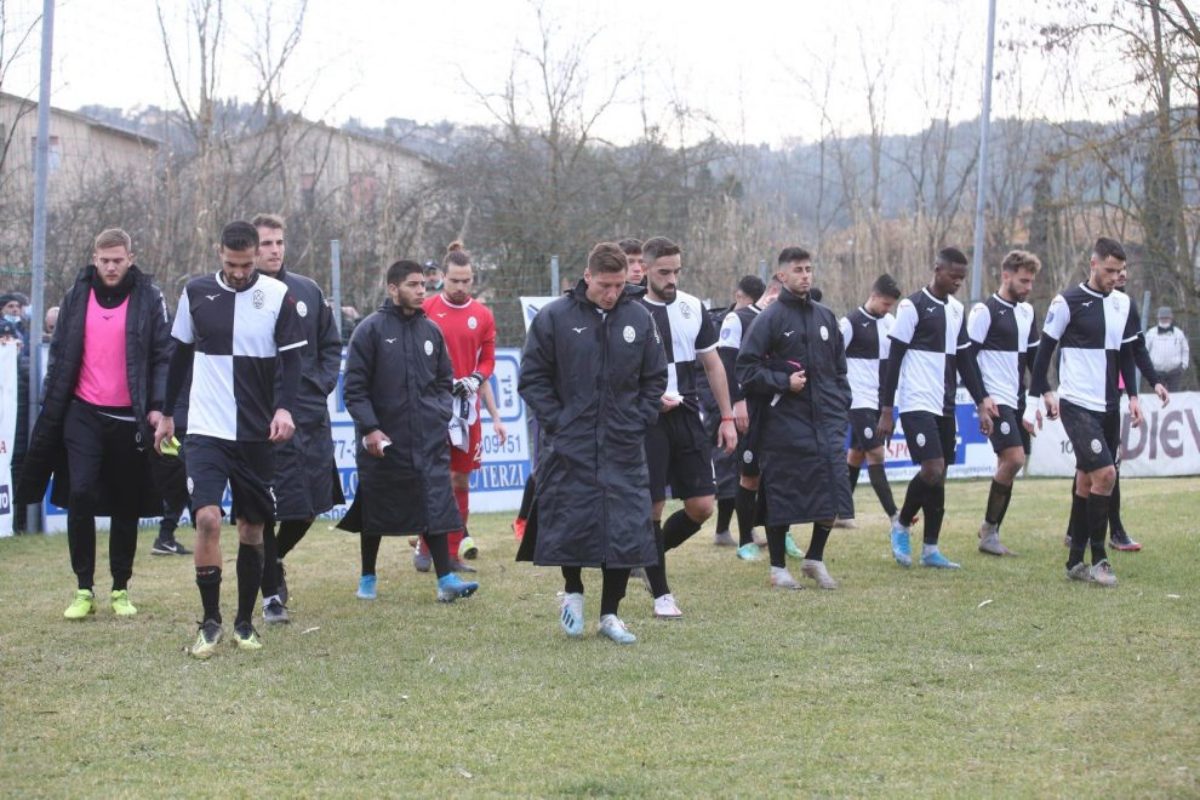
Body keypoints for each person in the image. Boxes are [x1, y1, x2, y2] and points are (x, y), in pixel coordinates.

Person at [155, 221, 305, 658]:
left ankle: (244, 622)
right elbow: (179, 354)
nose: (238, 272)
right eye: (230, 264)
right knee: (206, 519)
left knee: (252, 528)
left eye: (245, 264)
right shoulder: (196, 292)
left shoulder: (277, 296)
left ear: (257, 254)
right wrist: (167, 413)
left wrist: (284, 408)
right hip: (204, 428)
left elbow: (294, 363)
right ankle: (209, 622)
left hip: (255, 433)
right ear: (219, 255)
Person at [17, 229, 171, 618]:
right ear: (94, 258)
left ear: (130, 258)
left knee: (126, 504)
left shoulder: (149, 298)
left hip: (128, 417)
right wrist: (54, 397)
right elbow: (62, 356)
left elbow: (161, 355)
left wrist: (156, 406)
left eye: (118, 259)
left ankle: (121, 587)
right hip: (82, 412)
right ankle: (83, 588)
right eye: (104, 260)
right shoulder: (76, 296)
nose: (111, 266)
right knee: (80, 492)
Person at [517, 242, 666, 643]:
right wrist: (558, 422)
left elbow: (655, 376)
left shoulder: (639, 318)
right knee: (573, 521)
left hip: (623, 441)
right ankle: (573, 592)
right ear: (587, 277)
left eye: (619, 285)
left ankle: (611, 614)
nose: (613, 293)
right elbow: (532, 378)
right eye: (605, 285)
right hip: (571, 443)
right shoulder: (554, 318)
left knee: (623, 528)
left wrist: (639, 417)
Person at [337, 259, 479, 604]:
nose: (421, 291)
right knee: (375, 509)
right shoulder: (369, 330)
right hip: (384, 443)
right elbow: (354, 390)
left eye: (423, 285)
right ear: (392, 288)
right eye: (413, 285)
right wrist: (370, 429)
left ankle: (445, 579)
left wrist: (439, 413)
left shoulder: (431, 331)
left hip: (428, 439)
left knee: (435, 506)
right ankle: (368, 576)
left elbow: (445, 381)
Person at [1030, 237, 1145, 587]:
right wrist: (1041, 395)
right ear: (1093, 264)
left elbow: (1125, 353)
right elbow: (1043, 353)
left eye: (1120, 271)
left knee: (1086, 480)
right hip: (1077, 404)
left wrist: (1134, 396)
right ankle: (1099, 558)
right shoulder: (1066, 302)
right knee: (1106, 475)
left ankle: (1074, 561)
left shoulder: (1122, 304)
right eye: (1110, 270)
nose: (1115, 277)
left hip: (1110, 406)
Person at [736, 247, 852, 589]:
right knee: (782, 493)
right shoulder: (769, 319)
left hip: (826, 421)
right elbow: (745, 368)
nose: (805, 275)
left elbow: (840, 370)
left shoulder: (826, 317)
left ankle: (814, 558)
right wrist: (783, 383)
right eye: (798, 270)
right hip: (784, 421)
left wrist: (841, 404)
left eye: (809, 269)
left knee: (833, 488)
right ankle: (777, 568)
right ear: (782, 276)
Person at [636, 236, 737, 618]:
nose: (671, 278)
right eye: (663, 272)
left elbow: (712, 365)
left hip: (689, 414)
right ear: (645, 270)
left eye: (676, 271)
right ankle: (662, 594)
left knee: (702, 506)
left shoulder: (694, 307)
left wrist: (727, 417)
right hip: (649, 417)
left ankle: (646, 558)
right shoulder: (632, 311)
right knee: (653, 506)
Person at [878, 247, 997, 569]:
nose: (958, 282)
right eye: (953, 275)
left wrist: (981, 402)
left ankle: (931, 549)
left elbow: (965, 361)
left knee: (939, 475)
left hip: (945, 405)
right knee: (932, 467)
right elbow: (894, 358)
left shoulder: (958, 310)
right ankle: (901, 524)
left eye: (962, 277)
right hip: (916, 402)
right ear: (937, 270)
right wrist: (887, 409)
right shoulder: (911, 306)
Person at [251, 214, 344, 624]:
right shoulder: (243, 295)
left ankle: (273, 563)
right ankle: (271, 592)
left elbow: (330, 343)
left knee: (309, 507)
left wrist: (320, 384)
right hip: (262, 418)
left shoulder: (307, 290)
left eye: (279, 242)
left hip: (309, 414)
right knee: (268, 509)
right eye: (265, 243)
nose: (273, 250)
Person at [412, 241, 505, 570]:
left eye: (467, 281)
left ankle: (451, 554)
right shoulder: (426, 310)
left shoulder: (482, 315)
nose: (461, 287)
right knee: (434, 478)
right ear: (442, 278)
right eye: (455, 281)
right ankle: (425, 548)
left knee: (460, 480)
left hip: (467, 412)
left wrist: (478, 378)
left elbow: (490, 359)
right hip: (433, 408)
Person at [966, 250, 1043, 556]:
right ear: (1006, 275)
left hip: (1017, 398)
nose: (1028, 287)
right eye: (1023, 280)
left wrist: (1044, 393)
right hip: (995, 399)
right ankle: (988, 530)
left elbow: (1035, 361)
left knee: (1009, 464)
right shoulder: (985, 311)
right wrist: (982, 400)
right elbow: (967, 358)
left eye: (1031, 282)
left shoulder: (1026, 313)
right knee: (1015, 459)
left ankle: (991, 533)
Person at [715, 274, 782, 560]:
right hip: (748, 408)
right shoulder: (738, 319)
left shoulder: (786, 318)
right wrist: (737, 403)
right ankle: (744, 540)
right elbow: (726, 364)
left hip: (778, 407)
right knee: (749, 474)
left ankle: (780, 533)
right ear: (773, 290)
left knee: (776, 474)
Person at [838, 274, 902, 533]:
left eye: (891, 306)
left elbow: (893, 362)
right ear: (873, 296)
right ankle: (895, 515)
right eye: (885, 304)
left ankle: (840, 512)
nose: (888, 309)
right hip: (858, 399)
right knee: (876, 452)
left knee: (856, 454)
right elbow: (833, 359)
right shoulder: (850, 323)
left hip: (880, 400)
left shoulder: (890, 322)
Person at [707, 274, 765, 548]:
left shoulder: (756, 319)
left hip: (744, 404)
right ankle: (723, 531)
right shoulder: (726, 321)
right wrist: (728, 406)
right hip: (720, 403)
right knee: (729, 466)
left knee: (748, 469)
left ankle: (748, 529)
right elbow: (719, 365)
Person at [1144, 306, 1188, 392]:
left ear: (1171, 318)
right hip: (1156, 372)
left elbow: (1185, 350)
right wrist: (1148, 368)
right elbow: (1145, 350)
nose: (1164, 319)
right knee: (1157, 397)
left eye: (1166, 317)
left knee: (1175, 397)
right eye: (1162, 318)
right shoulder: (1151, 333)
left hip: (1175, 372)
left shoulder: (1178, 333)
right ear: (1158, 318)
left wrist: (1183, 366)